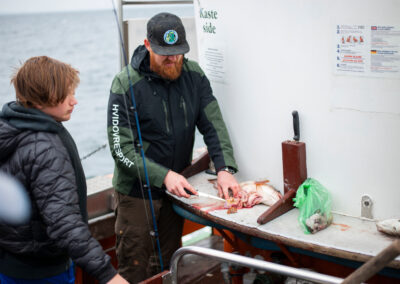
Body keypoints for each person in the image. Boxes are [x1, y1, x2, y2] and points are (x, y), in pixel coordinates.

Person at [107, 12, 240, 283]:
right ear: (147, 45)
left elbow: (212, 123)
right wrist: (164, 176)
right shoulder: (125, 83)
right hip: (136, 196)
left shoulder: (194, 76)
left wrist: (224, 168)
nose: (172, 59)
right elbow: (121, 149)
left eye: (177, 52)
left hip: (174, 194)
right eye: (164, 53)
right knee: (135, 270)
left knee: (168, 266)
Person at [0, 56, 128, 284]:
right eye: (67, 94)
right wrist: (109, 275)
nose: (74, 101)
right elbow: (63, 222)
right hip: (42, 273)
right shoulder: (45, 147)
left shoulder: (10, 126)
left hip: (10, 264)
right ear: (42, 99)